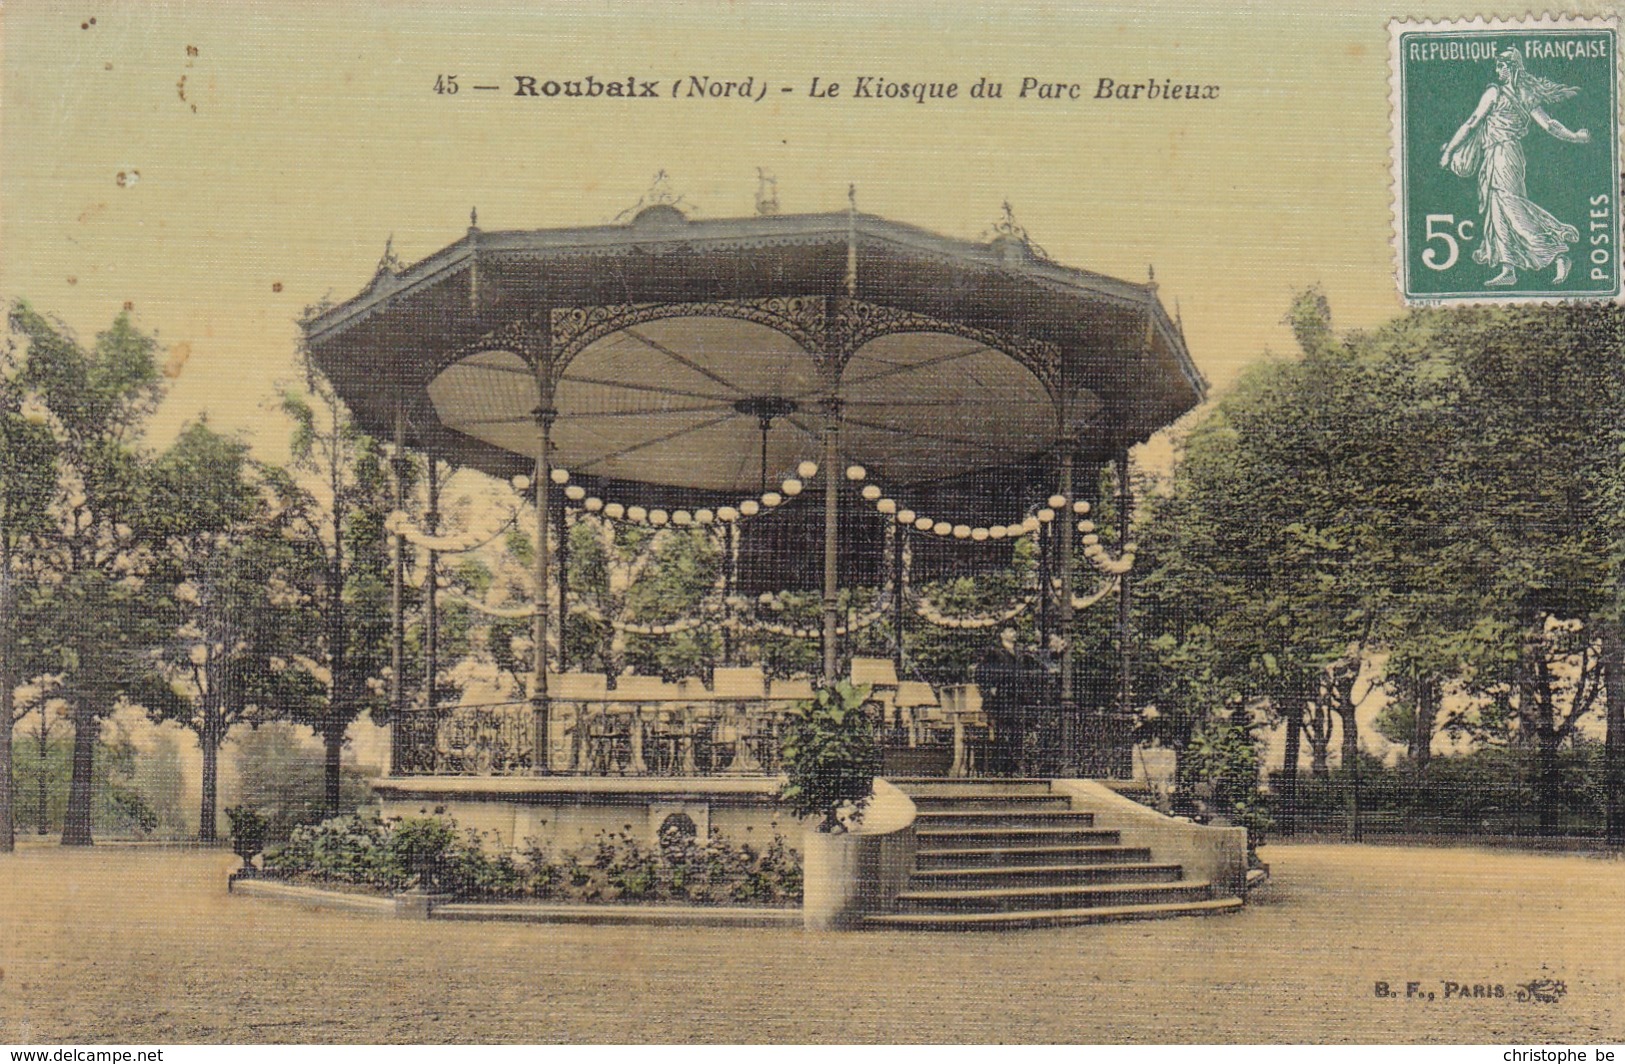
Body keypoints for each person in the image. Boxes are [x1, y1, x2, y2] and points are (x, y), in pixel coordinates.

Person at [1439, 48, 1590, 287]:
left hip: (1504, 155)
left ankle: (1558, 253)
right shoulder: (1524, 94)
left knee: (1513, 208)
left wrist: (1449, 151)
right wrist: (1574, 136)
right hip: (1497, 155)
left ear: (1512, 68)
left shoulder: (1495, 92)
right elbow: (1550, 125)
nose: (1497, 70)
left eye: (1501, 66)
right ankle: (1507, 268)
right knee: (1497, 211)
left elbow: (1471, 123)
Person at [975, 628, 1025, 776]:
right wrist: (990, 686)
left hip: (1017, 698)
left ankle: (1014, 767)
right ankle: (1001, 768)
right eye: (1009, 631)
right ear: (1002, 634)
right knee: (1001, 733)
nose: (1014, 633)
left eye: (1014, 631)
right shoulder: (994, 652)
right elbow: (980, 672)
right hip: (1001, 699)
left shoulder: (1020, 652)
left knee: (1017, 733)